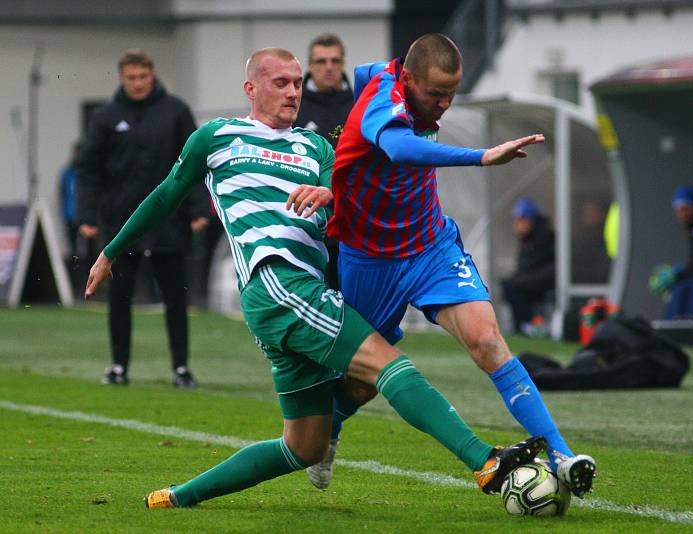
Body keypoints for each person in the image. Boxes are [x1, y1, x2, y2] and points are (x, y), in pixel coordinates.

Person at [84, 47, 545, 510]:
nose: (292, 92)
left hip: (302, 290)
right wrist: (110, 252)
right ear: (251, 88)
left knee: (302, 446)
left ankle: (178, 497)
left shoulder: (316, 147)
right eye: (280, 82)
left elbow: (341, 206)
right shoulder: (217, 137)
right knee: (390, 363)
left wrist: (333, 195)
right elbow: (166, 196)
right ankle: (486, 462)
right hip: (277, 281)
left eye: (297, 83)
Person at [319, 33, 596, 498]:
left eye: (453, 93)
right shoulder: (382, 101)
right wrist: (482, 157)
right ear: (407, 78)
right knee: (360, 384)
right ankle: (327, 430)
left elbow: (366, 72)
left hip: (430, 246)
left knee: (487, 341)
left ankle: (561, 455)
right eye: (436, 94)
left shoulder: (400, 82)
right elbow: (402, 149)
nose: (445, 104)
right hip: (369, 259)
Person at [75, 49, 210, 388]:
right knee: (119, 297)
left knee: (176, 298)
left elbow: (195, 162)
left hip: (171, 219)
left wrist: (197, 208)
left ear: (153, 75)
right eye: (131, 78)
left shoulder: (175, 111)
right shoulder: (106, 117)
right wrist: (87, 214)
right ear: (122, 78)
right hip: (122, 222)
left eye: (143, 77)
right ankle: (119, 366)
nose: (138, 84)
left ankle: (181, 367)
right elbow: (88, 169)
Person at [294, 33, 355, 290]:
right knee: (315, 296)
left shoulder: (358, 105)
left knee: (353, 298)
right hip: (307, 219)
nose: (328, 67)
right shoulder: (294, 106)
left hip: (353, 218)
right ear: (310, 65)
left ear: (343, 64)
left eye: (335, 61)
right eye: (321, 61)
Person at [500, 197, 555, 334]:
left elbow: (549, 268)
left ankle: (526, 325)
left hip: (543, 284)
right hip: (530, 282)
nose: (517, 224)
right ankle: (521, 325)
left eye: (520, 219)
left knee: (513, 288)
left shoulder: (544, 237)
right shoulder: (527, 239)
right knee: (508, 285)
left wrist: (522, 281)